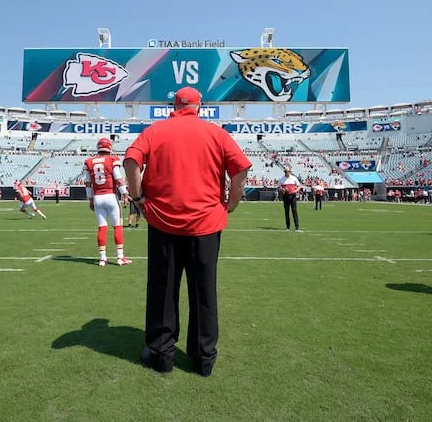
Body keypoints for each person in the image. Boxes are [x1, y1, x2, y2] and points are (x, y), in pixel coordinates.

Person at [124, 86, 251, 377]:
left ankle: (161, 354)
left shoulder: (155, 131)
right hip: (206, 224)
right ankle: (203, 358)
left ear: (173, 105)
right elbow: (241, 169)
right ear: (200, 106)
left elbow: (131, 161)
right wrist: (231, 203)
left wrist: (138, 197)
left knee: (162, 290)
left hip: (163, 224)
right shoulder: (216, 133)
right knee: (204, 291)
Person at [82, 137, 132, 266]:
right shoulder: (112, 159)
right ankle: (120, 257)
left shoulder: (89, 161)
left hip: (98, 197)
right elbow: (118, 179)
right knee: (117, 226)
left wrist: (90, 199)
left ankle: (102, 258)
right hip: (110, 196)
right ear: (109, 147)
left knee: (102, 228)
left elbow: (87, 183)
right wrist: (125, 194)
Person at [279, 166, 301, 231]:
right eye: (285, 171)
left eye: (287, 171)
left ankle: (297, 227)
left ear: (290, 171)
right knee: (286, 212)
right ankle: (288, 227)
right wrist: (281, 189)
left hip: (293, 195)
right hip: (285, 196)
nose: (286, 173)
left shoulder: (294, 178)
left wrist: (295, 191)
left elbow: (299, 186)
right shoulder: (281, 179)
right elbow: (278, 187)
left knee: (294, 211)